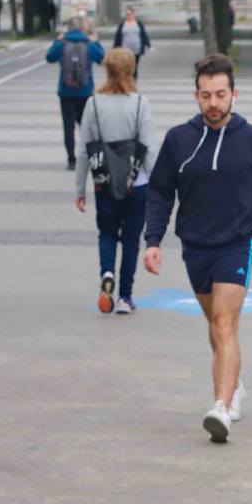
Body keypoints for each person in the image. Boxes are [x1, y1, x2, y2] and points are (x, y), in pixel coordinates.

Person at [143, 54, 252, 444]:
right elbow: (160, 192)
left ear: (234, 94)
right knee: (217, 326)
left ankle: (221, 407)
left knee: (223, 324)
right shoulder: (178, 140)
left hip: (236, 244)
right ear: (196, 96)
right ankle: (234, 386)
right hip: (195, 247)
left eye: (220, 94)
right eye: (206, 95)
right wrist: (153, 241)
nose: (213, 103)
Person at [74, 48, 157, 315]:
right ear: (131, 69)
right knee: (131, 238)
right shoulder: (140, 102)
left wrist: (80, 189)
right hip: (136, 183)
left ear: (106, 70)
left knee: (107, 232)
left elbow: (84, 150)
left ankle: (107, 274)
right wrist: (158, 185)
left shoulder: (93, 103)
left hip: (104, 181)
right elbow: (148, 147)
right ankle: (125, 297)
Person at [46, 17, 105, 170]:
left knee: (68, 127)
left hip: (65, 92)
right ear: (82, 28)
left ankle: (71, 160)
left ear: (68, 28)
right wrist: (96, 41)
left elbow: (49, 57)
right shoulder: (88, 43)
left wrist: (57, 41)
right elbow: (102, 58)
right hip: (85, 92)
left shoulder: (63, 43)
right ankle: (90, 157)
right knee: (88, 127)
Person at [112, 7, 151, 78]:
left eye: (129, 14)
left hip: (136, 50)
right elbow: (117, 36)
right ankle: (126, 80)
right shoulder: (122, 24)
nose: (128, 16)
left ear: (133, 14)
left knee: (134, 66)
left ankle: (133, 81)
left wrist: (149, 45)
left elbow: (144, 35)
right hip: (125, 50)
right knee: (126, 66)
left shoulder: (139, 24)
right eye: (127, 14)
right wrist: (114, 48)